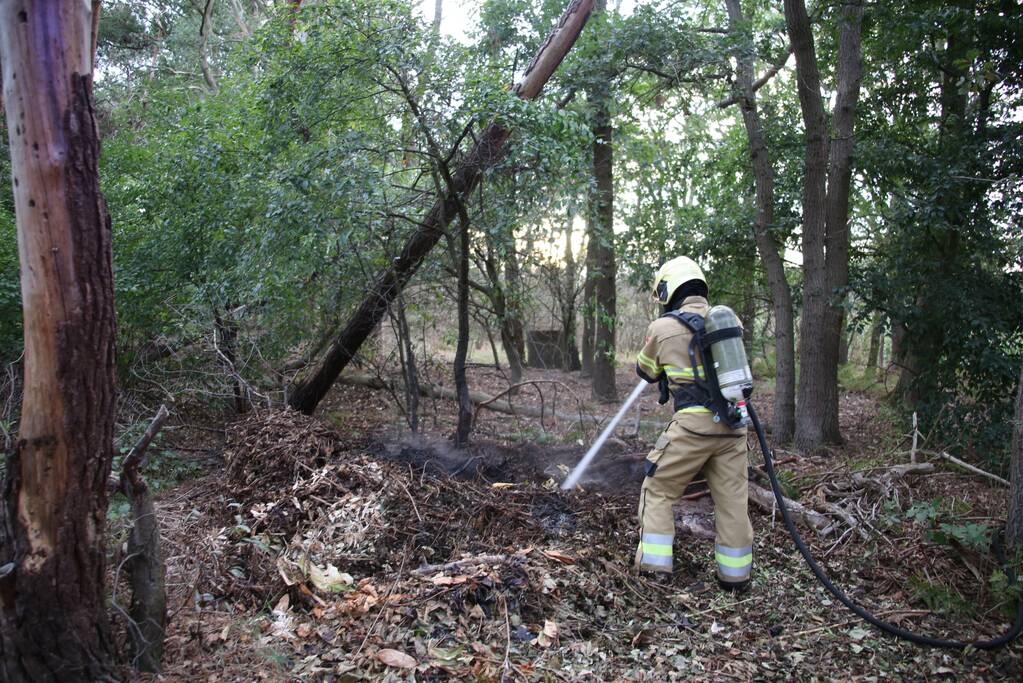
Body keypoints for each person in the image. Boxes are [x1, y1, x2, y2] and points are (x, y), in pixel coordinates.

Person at [633, 256, 753, 592]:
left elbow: (645, 370)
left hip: (692, 427)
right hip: (733, 427)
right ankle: (735, 578)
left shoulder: (662, 328)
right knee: (732, 502)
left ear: (669, 290)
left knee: (657, 489)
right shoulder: (728, 321)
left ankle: (654, 569)